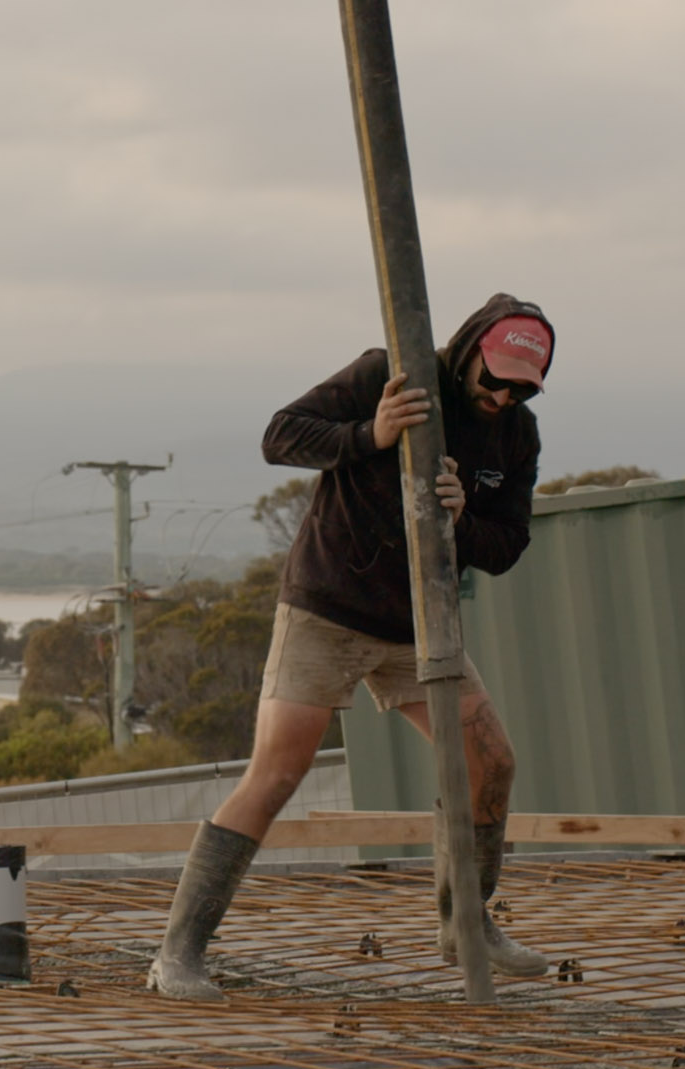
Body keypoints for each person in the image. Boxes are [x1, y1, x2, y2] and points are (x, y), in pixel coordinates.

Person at [148, 293, 556, 1001]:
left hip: (419, 622)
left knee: (492, 762)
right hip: (331, 607)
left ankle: (466, 921)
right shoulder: (387, 374)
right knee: (277, 773)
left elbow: (507, 546)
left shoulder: (517, 434)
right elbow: (281, 435)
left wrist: (461, 519)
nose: (503, 395)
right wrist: (370, 433)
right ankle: (177, 954)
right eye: (494, 379)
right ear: (468, 354)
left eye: (522, 387)